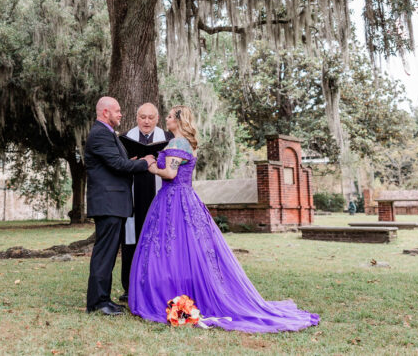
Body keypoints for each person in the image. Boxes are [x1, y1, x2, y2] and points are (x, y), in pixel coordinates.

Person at [129, 106, 319, 332]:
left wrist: (149, 164)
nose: (166, 120)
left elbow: (170, 174)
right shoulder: (187, 144)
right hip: (184, 198)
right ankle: (180, 292)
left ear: (178, 121)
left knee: (173, 248)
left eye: (169, 116)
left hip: (174, 199)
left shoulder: (177, 143)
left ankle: (174, 294)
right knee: (186, 249)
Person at [84, 96, 154, 316]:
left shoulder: (106, 134)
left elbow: (115, 162)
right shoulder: (100, 134)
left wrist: (132, 160)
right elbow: (117, 164)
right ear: (105, 112)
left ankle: (103, 299)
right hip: (108, 203)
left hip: (114, 203)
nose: (121, 114)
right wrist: (145, 162)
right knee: (104, 253)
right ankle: (98, 302)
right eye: (117, 111)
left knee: (109, 252)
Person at [119, 103, 174, 303]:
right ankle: (129, 287)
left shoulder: (169, 139)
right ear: (136, 117)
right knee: (130, 242)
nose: (147, 121)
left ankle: (158, 286)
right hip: (133, 196)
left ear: (157, 119)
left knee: (159, 241)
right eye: (143, 117)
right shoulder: (124, 139)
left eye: (151, 117)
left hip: (158, 196)